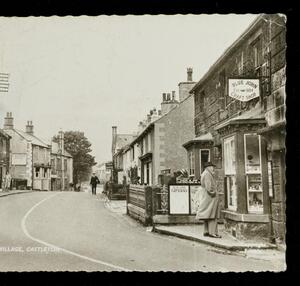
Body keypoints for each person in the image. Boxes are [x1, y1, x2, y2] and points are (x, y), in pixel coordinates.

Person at [195, 162, 221, 238]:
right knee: (212, 215)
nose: (213, 168)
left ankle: (206, 231)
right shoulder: (207, 174)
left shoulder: (205, 173)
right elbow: (209, 187)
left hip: (207, 197)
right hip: (210, 198)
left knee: (207, 215)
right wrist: (214, 193)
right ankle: (213, 233)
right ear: (208, 167)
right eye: (212, 167)